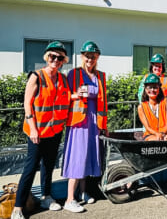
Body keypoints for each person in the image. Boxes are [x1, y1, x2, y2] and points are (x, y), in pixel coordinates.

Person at [11, 41, 71, 219]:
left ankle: (46, 196)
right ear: (47, 57)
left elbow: (66, 98)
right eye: (53, 56)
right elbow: (27, 105)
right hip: (36, 132)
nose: (56, 60)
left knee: (49, 165)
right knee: (30, 167)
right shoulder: (36, 77)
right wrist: (33, 129)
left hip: (55, 131)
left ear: (63, 61)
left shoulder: (62, 79)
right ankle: (18, 207)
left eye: (60, 58)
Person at [62, 41, 108, 213]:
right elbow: (64, 96)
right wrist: (75, 95)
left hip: (94, 122)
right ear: (82, 56)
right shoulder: (73, 73)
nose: (90, 59)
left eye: (93, 56)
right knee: (77, 158)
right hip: (79, 123)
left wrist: (104, 124)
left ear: (97, 57)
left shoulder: (101, 76)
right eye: (87, 56)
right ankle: (69, 199)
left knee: (88, 157)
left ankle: (82, 193)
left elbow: (104, 102)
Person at [138, 74, 167, 141]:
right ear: (145, 88)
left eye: (155, 87)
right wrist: (157, 134)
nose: (152, 90)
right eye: (149, 87)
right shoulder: (141, 107)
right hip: (150, 135)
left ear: (159, 88)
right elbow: (147, 127)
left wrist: (161, 134)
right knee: (154, 140)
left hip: (166, 134)